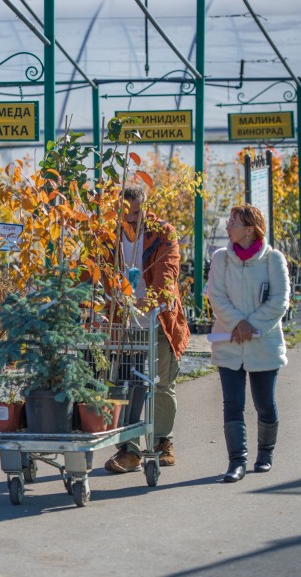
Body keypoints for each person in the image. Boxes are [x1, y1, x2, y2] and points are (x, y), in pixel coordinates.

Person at [104, 186, 190, 474]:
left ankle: (161, 441)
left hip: (159, 319)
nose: (131, 220)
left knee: (162, 382)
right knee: (125, 385)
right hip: (124, 321)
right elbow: (96, 272)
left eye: (137, 213)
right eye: (125, 214)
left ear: (146, 208)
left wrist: (150, 299)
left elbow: (168, 272)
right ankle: (128, 450)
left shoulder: (163, 232)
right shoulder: (108, 236)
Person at [207, 204, 290, 483]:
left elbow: (280, 300)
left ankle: (265, 454)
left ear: (250, 230)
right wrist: (237, 324)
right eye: (228, 221)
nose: (227, 227)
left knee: (264, 403)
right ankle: (237, 462)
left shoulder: (272, 259)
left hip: (262, 343)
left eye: (234, 223)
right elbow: (216, 296)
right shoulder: (221, 259)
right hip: (229, 341)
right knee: (232, 403)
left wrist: (251, 325)